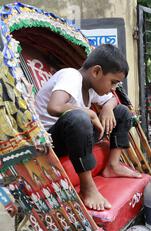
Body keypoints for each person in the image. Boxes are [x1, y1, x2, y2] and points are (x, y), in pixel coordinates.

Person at [35, 44, 141, 211]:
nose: (113, 88)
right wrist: (90, 113)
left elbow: (112, 100)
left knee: (122, 112)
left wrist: (107, 108)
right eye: (113, 82)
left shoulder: (91, 86)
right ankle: (87, 187)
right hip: (52, 142)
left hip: (78, 137)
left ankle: (112, 165)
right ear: (96, 72)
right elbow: (54, 106)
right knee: (80, 117)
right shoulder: (71, 76)